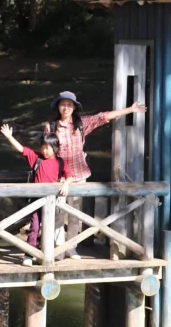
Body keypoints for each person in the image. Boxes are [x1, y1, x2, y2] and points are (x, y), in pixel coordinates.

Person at [44, 90, 146, 259]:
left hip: (79, 175)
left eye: (69, 105)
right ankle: (59, 249)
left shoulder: (81, 123)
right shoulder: (51, 126)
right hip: (59, 177)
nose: (66, 108)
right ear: (58, 106)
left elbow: (103, 117)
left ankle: (71, 248)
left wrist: (129, 109)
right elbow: (47, 151)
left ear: (74, 108)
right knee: (58, 214)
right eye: (63, 104)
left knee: (75, 214)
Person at [0, 123, 69, 266]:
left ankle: (44, 254)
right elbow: (22, 149)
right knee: (34, 227)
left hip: (52, 203)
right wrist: (10, 137)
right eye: (42, 147)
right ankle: (29, 255)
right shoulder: (37, 159)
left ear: (55, 148)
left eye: (47, 148)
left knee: (49, 229)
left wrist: (66, 183)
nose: (44, 151)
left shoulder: (60, 162)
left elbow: (70, 175)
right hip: (37, 201)